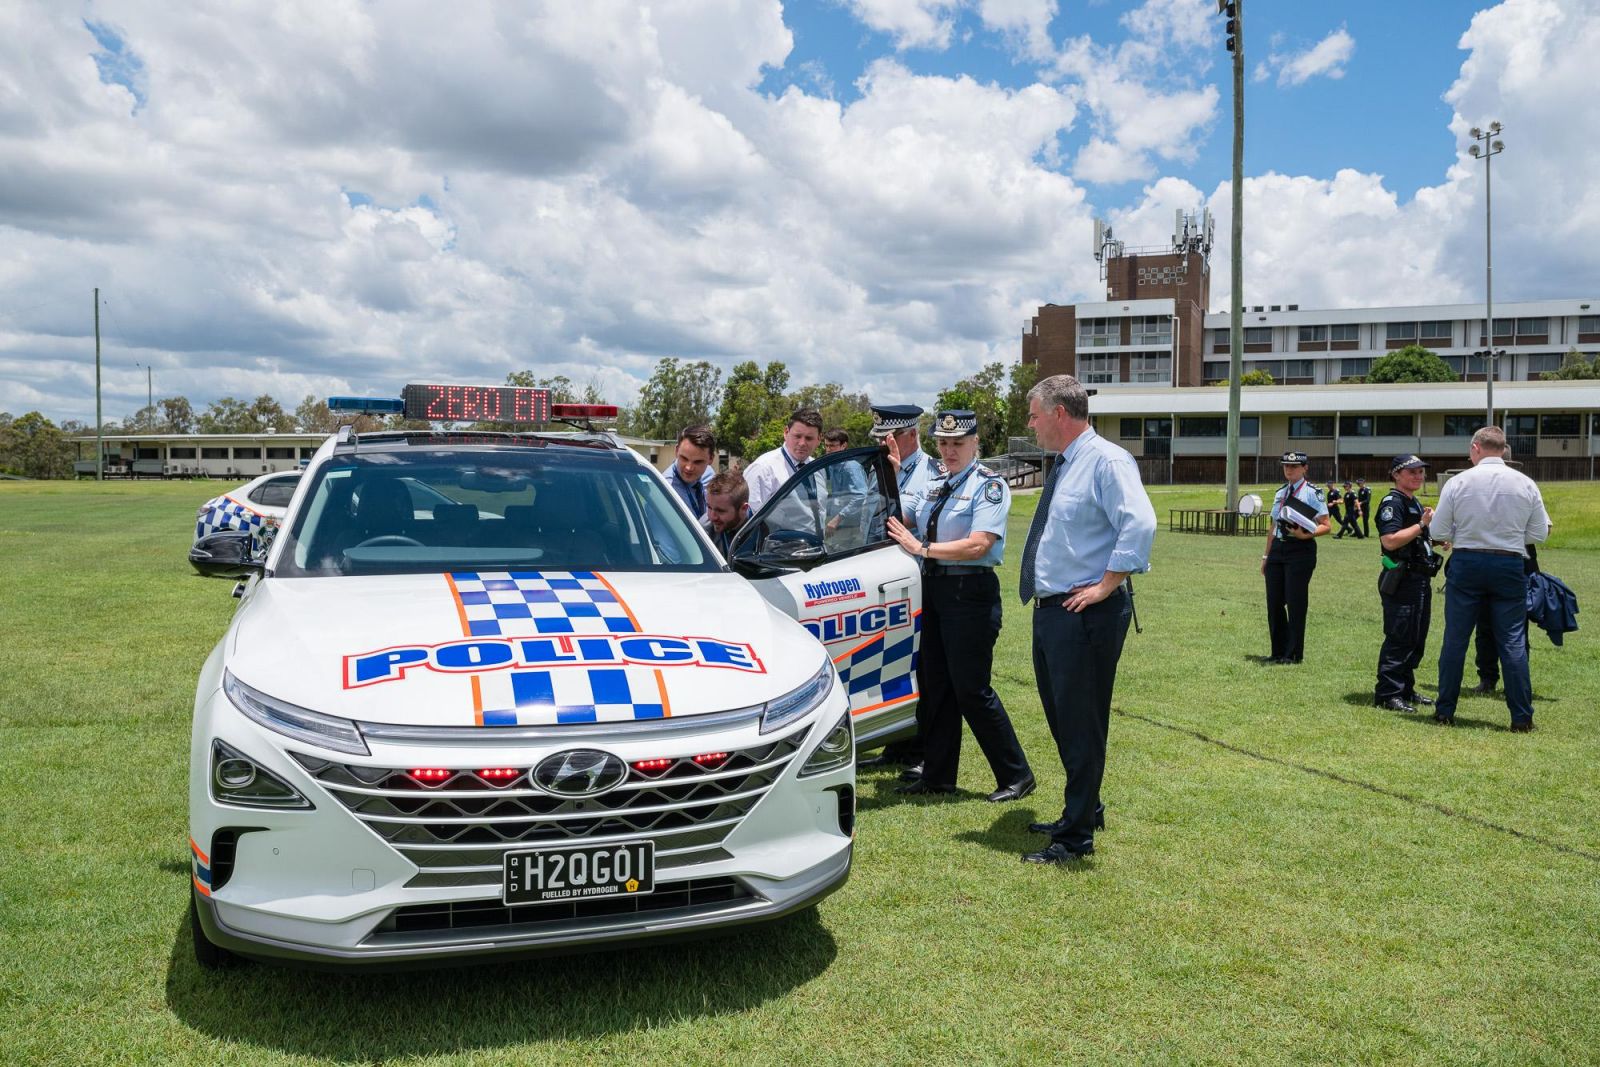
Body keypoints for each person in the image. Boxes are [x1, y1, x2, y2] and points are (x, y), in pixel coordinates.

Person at [1016, 375, 1156, 864]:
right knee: (1063, 716)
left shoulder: (1107, 460)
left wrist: (1107, 584)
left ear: (1058, 414)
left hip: (1085, 614)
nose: (1029, 424)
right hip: (1053, 609)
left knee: (1081, 722)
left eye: (1033, 415)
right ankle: (1084, 805)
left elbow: (1139, 522)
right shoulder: (1066, 464)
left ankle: (1075, 838)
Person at [885, 410, 1034, 803]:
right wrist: (893, 475)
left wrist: (923, 549)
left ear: (975, 444)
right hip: (934, 591)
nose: (950, 450)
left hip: (970, 593)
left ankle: (1016, 774)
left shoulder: (990, 486)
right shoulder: (935, 484)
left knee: (971, 689)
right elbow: (902, 516)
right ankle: (938, 775)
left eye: (958, 443)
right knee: (935, 686)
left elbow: (979, 543)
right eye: (944, 443)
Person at [1430, 427, 1550, 730]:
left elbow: (1438, 532)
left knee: (1456, 639)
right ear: (1504, 449)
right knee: (1512, 641)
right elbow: (1539, 533)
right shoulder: (1525, 483)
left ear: (1475, 449)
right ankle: (1521, 717)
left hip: (1468, 560)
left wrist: (1464, 533)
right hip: (1509, 562)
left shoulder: (1458, 482)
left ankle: (1444, 711)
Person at [860, 403, 936, 773]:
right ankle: (897, 742)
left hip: (917, 583)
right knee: (893, 662)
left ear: (910, 435)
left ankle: (921, 748)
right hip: (884, 582)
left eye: (888, 438)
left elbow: (901, 519)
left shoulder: (929, 472)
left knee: (921, 666)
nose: (883, 444)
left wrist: (889, 476)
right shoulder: (884, 469)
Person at [1373, 455, 1439, 713]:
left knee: (1416, 636)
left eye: (1421, 471)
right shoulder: (1393, 502)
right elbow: (1390, 540)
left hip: (1419, 578)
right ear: (1396, 474)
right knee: (1399, 635)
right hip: (1401, 579)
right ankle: (1388, 693)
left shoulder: (1413, 501)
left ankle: (1406, 688)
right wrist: (1422, 524)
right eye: (1411, 471)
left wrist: (1433, 540)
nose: (1419, 476)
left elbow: (1412, 538)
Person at [1260, 452, 1331, 664]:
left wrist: (1305, 534)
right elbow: (1273, 526)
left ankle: (1293, 653)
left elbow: (1326, 525)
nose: (1289, 470)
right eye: (1285, 466)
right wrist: (1266, 555)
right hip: (1278, 550)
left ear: (1305, 468)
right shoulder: (1280, 492)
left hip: (1300, 549)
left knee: (1295, 602)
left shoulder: (1312, 493)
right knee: (1274, 603)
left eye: (1294, 466)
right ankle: (1278, 651)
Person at [1470, 543, 1539, 694]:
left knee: (1516, 632)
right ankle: (1487, 679)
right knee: (1484, 628)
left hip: (1517, 565)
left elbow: (1544, 530)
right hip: (1486, 564)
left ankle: (1515, 683)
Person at [743, 408, 822, 513]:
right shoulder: (763, 469)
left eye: (809, 438)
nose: (802, 443)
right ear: (786, 432)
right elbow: (750, 518)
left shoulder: (819, 468)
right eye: (797, 436)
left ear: (819, 439)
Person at [665, 425, 717, 522]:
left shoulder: (709, 474)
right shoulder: (667, 491)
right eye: (684, 458)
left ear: (710, 459)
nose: (689, 468)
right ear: (676, 451)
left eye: (698, 462)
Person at [703, 470, 750, 561]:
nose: (712, 517)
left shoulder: (765, 531)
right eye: (709, 507)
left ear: (743, 509)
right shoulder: (703, 531)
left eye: (720, 511)